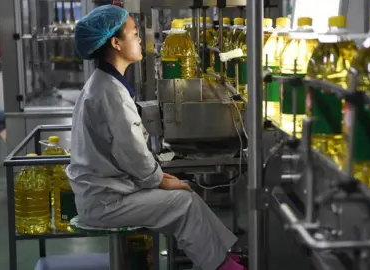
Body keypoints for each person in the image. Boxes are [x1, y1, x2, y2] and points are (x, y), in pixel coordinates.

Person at [67, 5, 245, 270]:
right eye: (135, 33)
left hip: (110, 192)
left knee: (187, 195)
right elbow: (132, 154)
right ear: (116, 43)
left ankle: (224, 258)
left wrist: (163, 179)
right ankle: (223, 266)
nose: (140, 39)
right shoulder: (109, 93)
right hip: (106, 202)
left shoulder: (106, 84)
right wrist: (160, 179)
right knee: (183, 203)